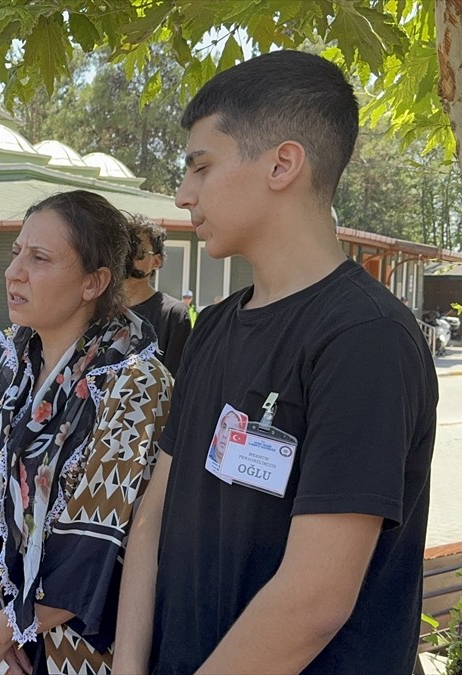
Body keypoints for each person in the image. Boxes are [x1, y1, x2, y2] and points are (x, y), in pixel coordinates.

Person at [114, 50, 437, 674]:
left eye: (200, 167)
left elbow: (313, 600)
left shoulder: (365, 339)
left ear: (282, 164)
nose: (184, 195)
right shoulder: (213, 329)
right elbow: (154, 517)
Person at [0, 190, 173, 675]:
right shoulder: (16, 368)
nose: (14, 273)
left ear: (94, 282)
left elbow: (98, 544)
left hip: (82, 648)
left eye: (40, 258)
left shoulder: (135, 381)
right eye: (16, 255)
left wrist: (3, 631)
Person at [124, 217, 192, 376]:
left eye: (139, 252)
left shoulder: (172, 313)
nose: (128, 258)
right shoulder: (98, 309)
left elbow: (174, 380)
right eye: (123, 250)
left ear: (156, 261)